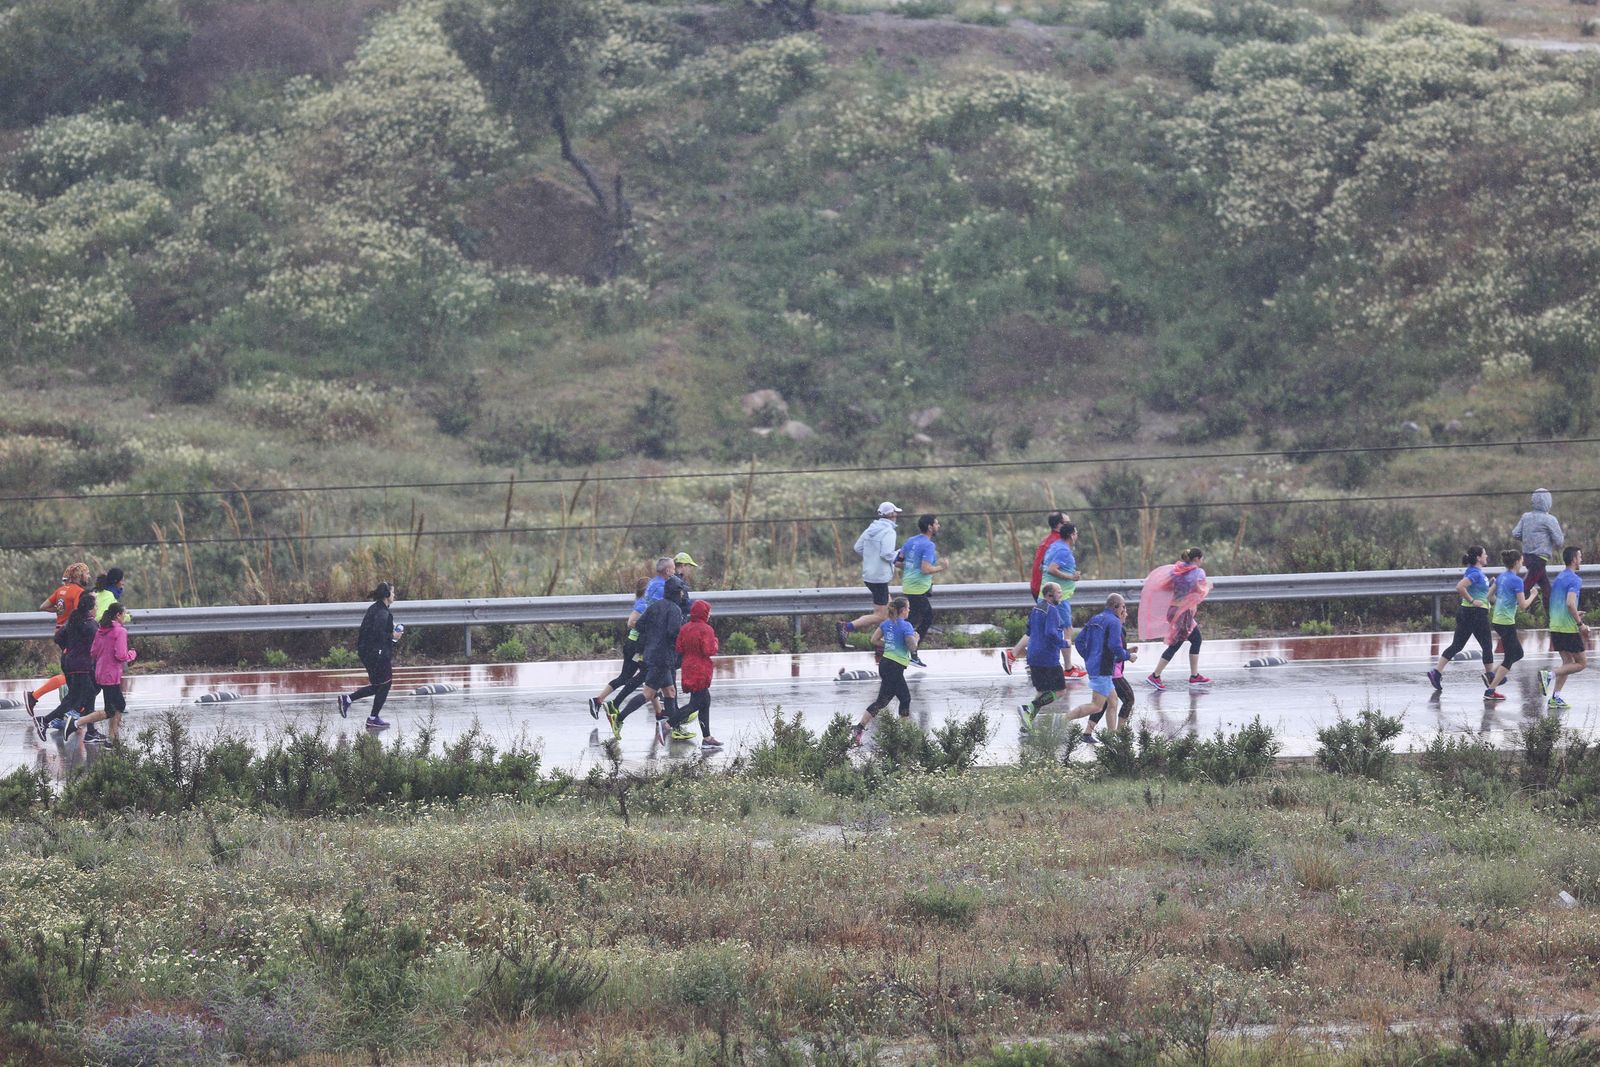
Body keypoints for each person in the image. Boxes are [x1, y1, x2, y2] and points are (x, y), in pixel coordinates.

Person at [614, 576, 687, 742]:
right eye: (681, 592)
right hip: (663, 657)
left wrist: (654, 634)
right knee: (648, 693)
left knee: (670, 691)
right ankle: (619, 718)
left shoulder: (654, 606)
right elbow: (672, 633)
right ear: (676, 593)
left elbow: (639, 625)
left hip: (650, 653)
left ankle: (673, 727)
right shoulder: (675, 609)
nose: (683, 595)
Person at [24, 562, 92, 719]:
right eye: (87, 574)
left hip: (60, 632)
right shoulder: (79, 592)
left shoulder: (61, 590)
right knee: (76, 673)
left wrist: (60, 610)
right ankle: (37, 697)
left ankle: (69, 709)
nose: (88, 576)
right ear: (79, 576)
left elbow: (43, 606)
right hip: (72, 635)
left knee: (71, 673)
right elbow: (79, 613)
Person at [1003, 512, 1067, 675]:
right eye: (1067, 522)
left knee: (1039, 628)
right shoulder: (1056, 543)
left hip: (1040, 587)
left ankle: (1025, 658)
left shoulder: (1048, 541)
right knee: (1059, 627)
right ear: (1059, 525)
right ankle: (1066, 667)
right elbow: (1046, 567)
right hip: (1046, 589)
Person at [66, 602, 136, 746]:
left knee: (117, 707)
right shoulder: (120, 631)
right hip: (112, 676)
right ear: (118, 615)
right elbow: (121, 655)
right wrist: (132, 654)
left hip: (100, 673)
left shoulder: (101, 629)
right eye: (124, 613)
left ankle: (112, 740)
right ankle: (77, 722)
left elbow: (93, 652)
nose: (125, 616)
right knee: (113, 709)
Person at [1426, 546, 1494, 692]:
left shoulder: (1475, 572)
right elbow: (1460, 587)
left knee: (1458, 645)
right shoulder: (1475, 573)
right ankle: (1491, 677)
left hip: (1469, 613)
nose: (1486, 556)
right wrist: (1471, 600)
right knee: (1487, 645)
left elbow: (1480, 592)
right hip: (1474, 613)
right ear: (1478, 558)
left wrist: (1491, 586)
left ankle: (1436, 672)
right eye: (1484, 554)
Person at [852, 597, 917, 745]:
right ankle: (905, 736)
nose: (909, 610)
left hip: (885, 664)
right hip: (894, 667)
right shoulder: (906, 626)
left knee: (882, 701)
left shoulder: (886, 623)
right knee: (905, 698)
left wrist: (890, 644)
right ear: (902, 610)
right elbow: (912, 647)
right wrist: (916, 639)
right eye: (908, 608)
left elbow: (873, 640)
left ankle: (859, 728)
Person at [1143, 548, 1212, 690]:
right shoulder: (1198, 572)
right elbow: (1199, 590)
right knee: (1176, 644)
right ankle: (1155, 676)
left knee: (1196, 639)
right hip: (1182, 613)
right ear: (1197, 558)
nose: (1202, 561)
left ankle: (1194, 676)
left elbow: (1164, 585)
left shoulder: (1177, 570)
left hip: (1173, 610)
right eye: (1202, 558)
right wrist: (1206, 588)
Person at [837, 502, 901, 650]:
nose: (897, 515)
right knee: (881, 615)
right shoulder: (889, 532)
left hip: (869, 576)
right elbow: (887, 554)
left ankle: (883, 645)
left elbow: (858, 547)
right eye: (895, 512)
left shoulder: (871, 528)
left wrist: (872, 558)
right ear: (891, 515)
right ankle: (846, 627)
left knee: (891, 612)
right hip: (879, 578)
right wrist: (899, 555)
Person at [1068, 594, 1135, 732]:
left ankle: (1112, 738)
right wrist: (1128, 656)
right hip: (1103, 668)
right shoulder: (1114, 621)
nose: (1124, 610)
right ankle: (1062, 720)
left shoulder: (1096, 618)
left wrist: (1088, 657)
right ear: (1116, 606)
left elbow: (1079, 641)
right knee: (1097, 706)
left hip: (1096, 666)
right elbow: (1114, 646)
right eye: (1123, 606)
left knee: (1113, 702)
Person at [38, 590, 99, 742]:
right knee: (75, 698)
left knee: (88, 694)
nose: (97, 609)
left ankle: (90, 732)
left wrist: (70, 647)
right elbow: (99, 645)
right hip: (82, 666)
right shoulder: (91, 624)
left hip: (70, 662)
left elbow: (58, 637)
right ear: (91, 608)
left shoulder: (74, 619)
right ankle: (45, 721)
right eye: (96, 606)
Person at [338, 582, 399, 728]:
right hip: (375, 654)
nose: (394, 595)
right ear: (387, 595)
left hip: (368, 652)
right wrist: (394, 637)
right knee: (385, 684)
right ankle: (372, 718)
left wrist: (392, 638)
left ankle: (348, 700)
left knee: (379, 685)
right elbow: (378, 635)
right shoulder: (383, 613)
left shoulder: (376, 608)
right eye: (393, 592)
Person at [590, 577, 651, 720]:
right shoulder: (643, 604)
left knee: (645, 677)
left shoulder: (646, 602)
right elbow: (631, 622)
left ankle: (659, 711)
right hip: (634, 645)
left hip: (637, 645)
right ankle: (598, 700)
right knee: (630, 677)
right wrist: (646, 627)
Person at [1486, 549, 1539, 701]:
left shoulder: (1501, 577)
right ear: (1516, 562)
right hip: (1506, 622)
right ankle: (1490, 689)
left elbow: (1489, 596)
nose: (1522, 563)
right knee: (1510, 657)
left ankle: (1491, 675)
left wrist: (1501, 604)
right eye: (1521, 561)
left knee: (1518, 653)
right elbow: (1523, 606)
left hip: (1497, 620)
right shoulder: (1517, 581)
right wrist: (1534, 595)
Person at [671, 598, 723, 749]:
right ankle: (667, 724)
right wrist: (715, 641)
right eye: (708, 612)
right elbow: (709, 650)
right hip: (700, 669)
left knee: (704, 701)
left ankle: (707, 738)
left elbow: (679, 648)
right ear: (704, 613)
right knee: (696, 704)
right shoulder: (706, 629)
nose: (709, 615)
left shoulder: (685, 628)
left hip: (688, 666)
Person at [1542, 546, 1588, 711]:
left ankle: (1555, 697)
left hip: (1555, 626)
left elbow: (1563, 603)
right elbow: (1569, 603)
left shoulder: (1560, 577)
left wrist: (1576, 613)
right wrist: (1580, 624)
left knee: (1567, 663)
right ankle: (1549, 675)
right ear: (1574, 559)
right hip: (1567, 628)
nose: (1581, 559)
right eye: (1580, 556)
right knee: (1581, 663)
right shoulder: (1575, 579)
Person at [1018, 582, 1068, 731]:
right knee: (1060, 691)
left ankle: (1026, 724)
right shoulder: (1051, 610)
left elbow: (1029, 630)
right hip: (1048, 658)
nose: (1061, 595)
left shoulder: (1036, 608)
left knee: (1041, 692)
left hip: (1033, 656)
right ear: (1049, 595)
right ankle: (1029, 707)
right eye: (1059, 592)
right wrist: (1064, 643)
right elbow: (1051, 633)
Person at [899, 514, 946, 667]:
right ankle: (910, 652)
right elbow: (925, 569)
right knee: (924, 619)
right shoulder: (928, 545)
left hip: (908, 584)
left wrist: (911, 568)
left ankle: (902, 650)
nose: (938, 526)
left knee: (913, 619)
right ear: (930, 527)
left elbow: (898, 562)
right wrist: (942, 568)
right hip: (918, 587)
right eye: (937, 524)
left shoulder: (910, 540)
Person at [1041, 524, 1086, 677]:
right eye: (1076, 533)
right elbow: (1052, 569)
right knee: (1067, 630)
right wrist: (1071, 577)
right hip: (1059, 596)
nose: (1077, 536)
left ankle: (1017, 655)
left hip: (1051, 593)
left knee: (1044, 630)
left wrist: (1070, 574)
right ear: (1072, 535)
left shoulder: (1055, 546)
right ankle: (1068, 667)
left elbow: (1047, 567)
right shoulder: (1063, 551)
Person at [1512, 489, 1563, 615]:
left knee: (1547, 590)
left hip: (1527, 559)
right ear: (1548, 501)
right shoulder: (1550, 519)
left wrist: (1528, 537)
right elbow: (1559, 540)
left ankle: (1551, 619)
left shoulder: (1526, 517)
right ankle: (1508, 610)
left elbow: (1515, 533)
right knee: (1524, 587)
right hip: (1540, 559)